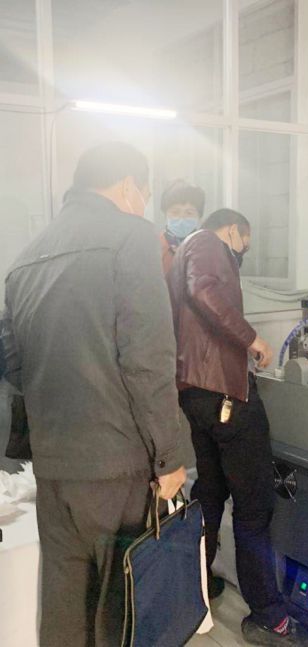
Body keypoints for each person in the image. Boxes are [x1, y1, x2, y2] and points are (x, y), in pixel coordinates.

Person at [1, 141, 187, 647]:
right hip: (116, 467)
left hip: (53, 466)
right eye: (144, 193)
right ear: (128, 186)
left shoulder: (24, 258)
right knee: (119, 605)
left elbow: (14, 365)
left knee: (63, 601)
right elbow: (148, 361)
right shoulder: (131, 237)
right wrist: (169, 457)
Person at [167, 209, 308, 646]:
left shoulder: (179, 253)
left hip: (196, 394)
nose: (242, 252)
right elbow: (204, 290)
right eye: (243, 244)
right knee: (253, 508)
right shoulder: (207, 243)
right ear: (233, 230)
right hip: (226, 396)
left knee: (210, 494)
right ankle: (269, 615)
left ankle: (194, 588)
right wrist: (253, 339)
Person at [160, 179, 205, 276]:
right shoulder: (155, 248)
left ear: (199, 217)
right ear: (165, 215)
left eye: (189, 213)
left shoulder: (207, 249)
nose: (182, 218)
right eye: (175, 212)